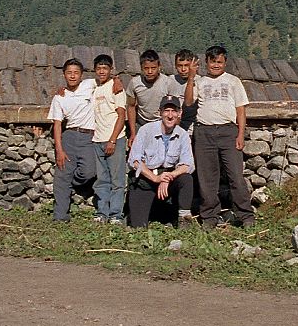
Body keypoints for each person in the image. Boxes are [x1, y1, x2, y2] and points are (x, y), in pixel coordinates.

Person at [193, 45, 254, 229]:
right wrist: (190, 79)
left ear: (225, 62)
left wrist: (240, 134)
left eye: (219, 62)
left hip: (228, 132)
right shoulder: (200, 82)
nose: (216, 65)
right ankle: (209, 217)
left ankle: (245, 215)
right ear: (206, 63)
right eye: (212, 62)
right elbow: (188, 101)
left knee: (235, 175)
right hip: (204, 132)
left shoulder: (233, 81)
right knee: (207, 177)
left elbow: (241, 110)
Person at [127, 95, 195, 227]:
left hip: (169, 176)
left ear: (179, 113)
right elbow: (134, 160)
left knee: (186, 179)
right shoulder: (146, 130)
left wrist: (169, 177)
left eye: (174, 111)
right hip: (146, 178)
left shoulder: (182, 134)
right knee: (138, 226)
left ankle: (184, 219)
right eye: (166, 111)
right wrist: (156, 178)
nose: (170, 115)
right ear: (160, 113)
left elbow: (188, 164)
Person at [47, 58, 97, 223]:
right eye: (69, 73)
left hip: (89, 135)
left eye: (76, 73)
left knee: (90, 170)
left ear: (81, 75)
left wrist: (117, 81)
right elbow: (57, 124)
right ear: (64, 75)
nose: (73, 76)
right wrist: (59, 149)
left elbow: (108, 77)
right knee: (62, 175)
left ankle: (74, 183)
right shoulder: (59, 97)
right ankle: (60, 216)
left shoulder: (90, 85)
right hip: (69, 136)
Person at [90, 54, 129, 224]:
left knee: (117, 179)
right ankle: (101, 213)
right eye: (98, 69)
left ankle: (116, 214)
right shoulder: (93, 87)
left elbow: (121, 115)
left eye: (105, 68)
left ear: (111, 70)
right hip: (97, 139)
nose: (101, 71)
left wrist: (112, 140)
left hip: (115, 138)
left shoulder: (117, 88)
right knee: (102, 179)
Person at [126, 49, 185, 137]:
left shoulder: (168, 83)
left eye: (153, 68)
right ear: (141, 68)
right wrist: (133, 133)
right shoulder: (135, 83)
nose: (150, 72)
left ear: (159, 67)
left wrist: (173, 128)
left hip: (162, 123)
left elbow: (176, 108)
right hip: (142, 124)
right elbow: (130, 107)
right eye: (146, 68)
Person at [172, 48, 199, 129]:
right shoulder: (169, 81)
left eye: (187, 65)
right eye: (180, 66)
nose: (183, 69)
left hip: (192, 127)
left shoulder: (200, 82)